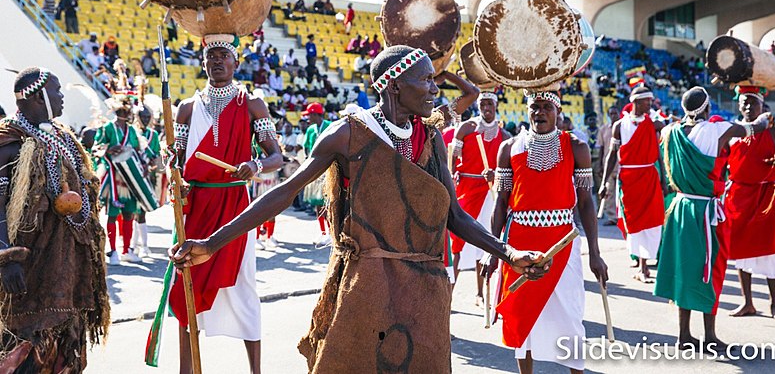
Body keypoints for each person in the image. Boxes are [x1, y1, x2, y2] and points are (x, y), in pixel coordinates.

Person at [170, 45, 549, 373]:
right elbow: (285, 192)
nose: (436, 89)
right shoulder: (347, 133)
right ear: (395, 85)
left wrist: (509, 253)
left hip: (424, 288)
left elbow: (455, 217)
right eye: (427, 80)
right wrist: (211, 243)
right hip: (366, 285)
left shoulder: (429, 136)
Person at [149, 33, 282, 373]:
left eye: (224, 55)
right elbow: (176, 159)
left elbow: (276, 156)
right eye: (211, 56)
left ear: (236, 63)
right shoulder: (187, 108)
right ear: (203, 63)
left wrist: (255, 165)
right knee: (186, 285)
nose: (217, 61)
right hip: (195, 206)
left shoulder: (253, 104)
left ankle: (256, 370)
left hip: (237, 206)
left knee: (243, 286)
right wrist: (170, 163)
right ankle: (187, 369)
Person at [485, 86, 608, 373]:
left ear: (558, 112)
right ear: (527, 110)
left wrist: (595, 253)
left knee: (570, 315)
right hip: (518, 245)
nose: (539, 112)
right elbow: (501, 204)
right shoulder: (509, 148)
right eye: (534, 107)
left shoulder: (577, 146)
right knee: (521, 317)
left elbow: (586, 204)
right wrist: (494, 251)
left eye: (546, 107)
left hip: (563, 244)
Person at [0, 68, 109, 372]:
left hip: (68, 269)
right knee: (23, 347)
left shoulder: (62, 137)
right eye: (56, 91)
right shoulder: (9, 141)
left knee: (64, 347)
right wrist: (7, 258)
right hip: (30, 268)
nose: (62, 97)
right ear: (37, 96)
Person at [654, 86, 773, 350]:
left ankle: (683, 335)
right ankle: (709, 335)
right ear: (707, 109)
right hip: (706, 211)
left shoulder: (669, 132)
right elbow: (753, 128)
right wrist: (764, 117)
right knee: (712, 269)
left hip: (679, 208)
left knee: (684, 270)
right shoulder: (718, 130)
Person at [719, 86, 775, 320]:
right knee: (740, 253)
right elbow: (721, 163)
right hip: (738, 197)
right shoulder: (732, 132)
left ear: (762, 105)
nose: (748, 107)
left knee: (771, 253)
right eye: (744, 102)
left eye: (753, 102)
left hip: (767, 198)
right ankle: (748, 303)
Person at [599, 85, 667, 282]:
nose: (651, 104)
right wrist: (604, 183)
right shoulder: (619, 126)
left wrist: (663, 179)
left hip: (650, 177)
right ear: (636, 102)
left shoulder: (655, 125)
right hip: (629, 180)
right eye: (647, 101)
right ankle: (642, 267)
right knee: (635, 223)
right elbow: (611, 156)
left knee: (652, 221)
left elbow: (661, 157)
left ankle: (645, 264)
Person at [449, 91, 510, 303]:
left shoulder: (505, 136)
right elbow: (452, 157)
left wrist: (496, 175)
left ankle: (481, 292)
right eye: (482, 104)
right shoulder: (467, 128)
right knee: (457, 242)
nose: (486, 108)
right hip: (467, 188)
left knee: (485, 241)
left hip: (490, 192)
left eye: (489, 104)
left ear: (495, 106)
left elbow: (508, 170)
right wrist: (451, 174)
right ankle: (449, 292)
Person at [94, 94, 147, 265]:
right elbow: (96, 148)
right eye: (126, 110)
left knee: (129, 213)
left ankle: (126, 250)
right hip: (113, 175)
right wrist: (109, 148)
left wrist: (144, 165)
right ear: (118, 110)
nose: (129, 113)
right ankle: (113, 251)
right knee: (112, 214)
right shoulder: (107, 128)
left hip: (129, 177)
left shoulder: (131, 130)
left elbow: (138, 150)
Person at [131, 106, 161, 258]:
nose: (145, 119)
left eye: (148, 117)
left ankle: (143, 246)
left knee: (142, 211)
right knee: (131, 211)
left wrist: (152, 167)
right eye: (142, 116)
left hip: (148, 176)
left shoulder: (153, 135)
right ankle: (132, 245)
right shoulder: (131, 132)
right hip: (132, 176)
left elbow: (156, 155)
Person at [301, 102, 332, 246]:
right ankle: (323, 232)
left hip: (329, 169)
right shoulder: (310, 130)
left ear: (315, 114)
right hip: (315, 171)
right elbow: (307, 148)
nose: (308, 118)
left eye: (309, 115)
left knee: (330, 203)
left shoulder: (330, 126)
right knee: (318, 204)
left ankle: (332, 233)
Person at [596, 105, 620, 225]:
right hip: (608, 163)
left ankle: (622, 216)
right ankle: (612, 217)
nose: (613, 116)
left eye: (615, 113)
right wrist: (600, 164)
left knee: (621, 190)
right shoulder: (604, 129)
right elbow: (601, 147)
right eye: (611, 114)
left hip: (621, 163)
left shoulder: (623, 127)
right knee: (609, 192)